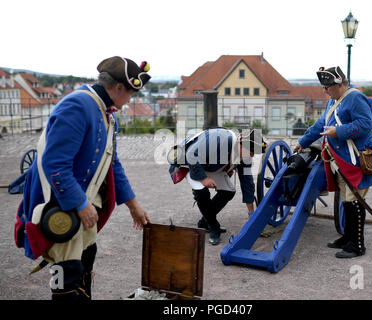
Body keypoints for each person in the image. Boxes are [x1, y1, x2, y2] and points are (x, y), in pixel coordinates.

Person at [15, 56, 151, 299]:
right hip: (62, 208)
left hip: (83, 209)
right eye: (130, 93)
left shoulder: (106, 113)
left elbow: (112, 164)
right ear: (118, 88)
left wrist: (133, 205)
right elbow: (55, 164)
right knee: (67, 278)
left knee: (85, 264)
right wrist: (79, 204)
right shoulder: (78, 105)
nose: (130, 99)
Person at [294, 66, 372, 259]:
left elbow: (365, 125)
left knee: (354, 201)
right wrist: (303, 141)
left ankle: (357, 245)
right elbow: (321, 124)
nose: (324, 91)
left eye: (327, 87)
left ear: (339, 84)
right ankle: (347, 238)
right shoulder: (333, 100)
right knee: (346, 200)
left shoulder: (355, 98)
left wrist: (337, 132)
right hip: (339, 160)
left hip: (356, 160)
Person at [170, 128, 266, 245]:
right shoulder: (219, 138)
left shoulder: (244, 154)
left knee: (229, 191)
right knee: (202, 193)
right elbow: (191, 155)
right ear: (240, 141)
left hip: (211, 166)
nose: (251, 155)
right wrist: (204, 179)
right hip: (190, 164)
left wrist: (251, 213)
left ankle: (205, 221)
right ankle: (214, 227)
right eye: (249, 151)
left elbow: (246, 181)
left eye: (253, 153)